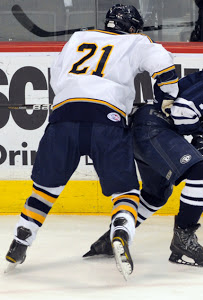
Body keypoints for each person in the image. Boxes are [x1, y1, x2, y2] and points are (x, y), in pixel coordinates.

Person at [4, 4, 179, 280]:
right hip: (106, 120)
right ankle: (120, 230)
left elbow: (56, 75)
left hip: (64, 117)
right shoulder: (136, 41)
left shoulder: (77, 38)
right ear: (132, 27)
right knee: (126, 193)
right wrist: (168, 98)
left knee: (45, 189)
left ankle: (22, 236)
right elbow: (164, 66)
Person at [84, 42, 203, 267]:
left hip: (147, 129)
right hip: (153, 128)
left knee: (156, 194)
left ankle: (115, 237)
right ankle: (183, 238)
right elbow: (182, 113)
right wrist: (200, 135)